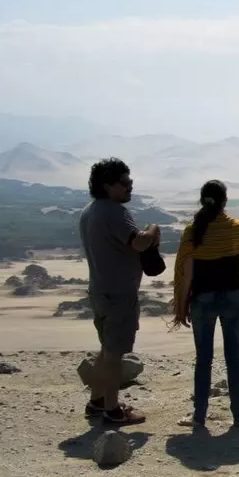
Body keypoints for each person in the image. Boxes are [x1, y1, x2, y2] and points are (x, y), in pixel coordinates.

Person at [78, 158, 160, 425]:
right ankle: (113, 411)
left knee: (106, 349)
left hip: (101, 291)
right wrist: (152, 230)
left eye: (130, 182)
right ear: (107, 185)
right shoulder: (114, 212)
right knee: (114, 355)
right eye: (124, 183)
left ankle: (97, 402)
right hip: (118, 294)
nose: (130, 188)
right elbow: (138, 242)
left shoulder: (89, 210)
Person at [171, 180, 239, 428]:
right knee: (234, 358)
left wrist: (181, 304)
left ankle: (199, 417)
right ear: (225, 201)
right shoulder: (237, 228)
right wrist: (228, 263)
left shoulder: (192, 230)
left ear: (201, 200)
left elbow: (186, 273)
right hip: (232, 296)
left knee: (203, 359)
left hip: (202, 298)